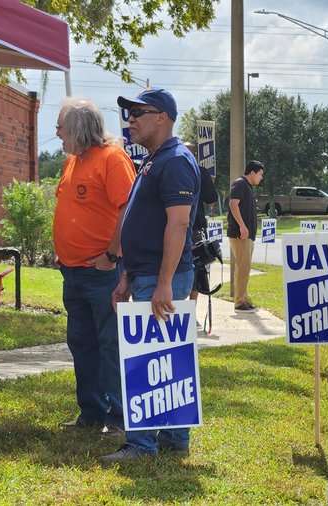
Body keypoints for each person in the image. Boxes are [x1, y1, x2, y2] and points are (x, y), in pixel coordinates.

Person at [102, 88, 200, 462]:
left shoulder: (175, 161)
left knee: (148, 363)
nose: (131, 120)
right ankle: (174, 440)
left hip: (166, 278)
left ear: (163, 117)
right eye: (128, 113)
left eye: (138, 113)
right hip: (145, 275)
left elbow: (177, 226)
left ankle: (142, 445)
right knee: (168, 361)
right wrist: (126, 275)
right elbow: (139, 223)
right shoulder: (152, 160)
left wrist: (162, 284)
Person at [52, 97, 135, 434]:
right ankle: (92, 413)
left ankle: (118, 418)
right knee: (82, 343)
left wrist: (113, 255)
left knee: (110, 345)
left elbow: (127, 209)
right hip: (72, 272)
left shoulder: (112, 159)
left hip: (102, 273)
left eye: (61, 127)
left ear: (78, 129)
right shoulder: (72, 162)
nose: (57, 133)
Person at [183, 142, 218, 313]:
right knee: (197, 268)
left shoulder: (168, 169)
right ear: (195, 155)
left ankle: (176, 308)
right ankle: (191, 311)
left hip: (169, 229)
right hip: (194, 228)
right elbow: (211, 200)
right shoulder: (200, 172)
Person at [227, 160, 264, 312]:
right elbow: (233, 204)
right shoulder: (240, 183)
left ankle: (243, 298)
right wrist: (242, 226)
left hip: (247, 235)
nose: (261, 178)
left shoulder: (247, 187)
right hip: (239, 234)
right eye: (260, 174)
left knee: (244, 267)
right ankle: (240, 302)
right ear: (253, 172)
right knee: (243, 267)